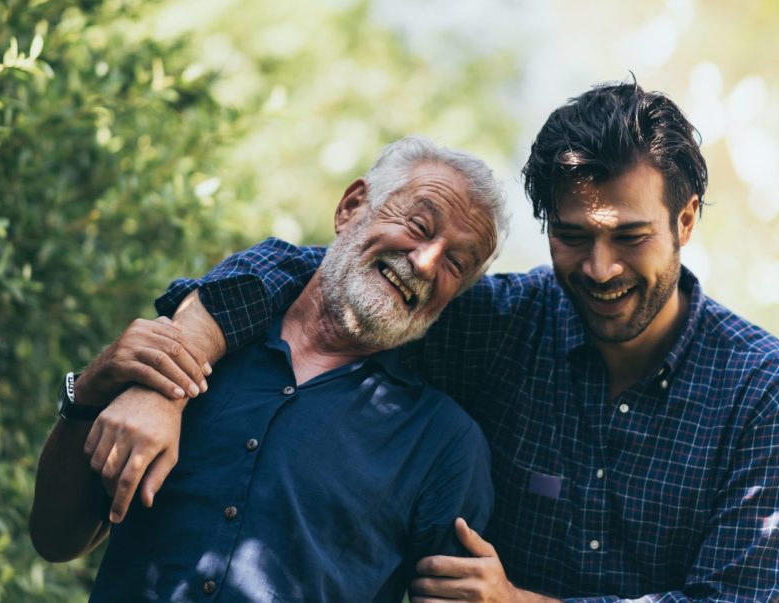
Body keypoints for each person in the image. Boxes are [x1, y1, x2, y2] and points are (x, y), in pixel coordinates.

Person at [89, 80, 779, 602]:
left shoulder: (766, 388)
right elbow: (318, 271)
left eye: (630, 237)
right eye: (572, 236)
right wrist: (168, 374)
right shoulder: (502, 324)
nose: (600, 269)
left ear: (685, 221)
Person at [28, 136, 511, 602]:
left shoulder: (445, 446)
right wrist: (89, 389)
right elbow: (56, 539)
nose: (426, 263)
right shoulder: (189, 345)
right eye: (420, 226)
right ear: (351, 207)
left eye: (456, 263)